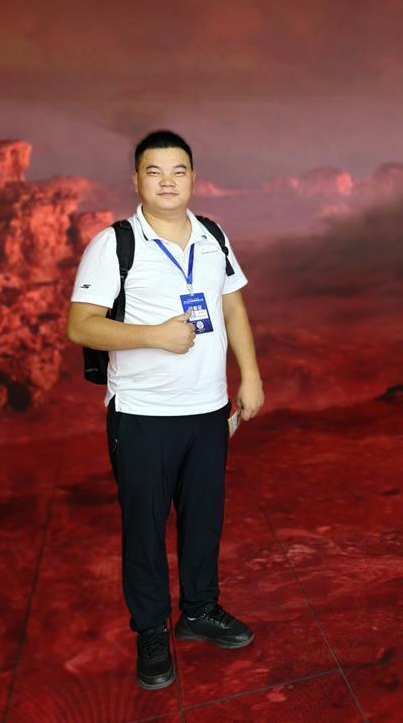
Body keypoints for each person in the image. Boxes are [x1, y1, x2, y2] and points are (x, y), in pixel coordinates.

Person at [66, 130, 265, 690]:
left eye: (179, 171)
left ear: (193, 178)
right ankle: (151, 630)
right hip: (142, 414)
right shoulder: (115, 244)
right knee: (145, 528)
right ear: (137, 180)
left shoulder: (213, 236)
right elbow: (80, 325)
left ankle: (199, 611)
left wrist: (250, 376)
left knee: (204, 521)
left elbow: (232, 308)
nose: (168, 182)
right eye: (154, 172)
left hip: (208, 410)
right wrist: (154, 335)